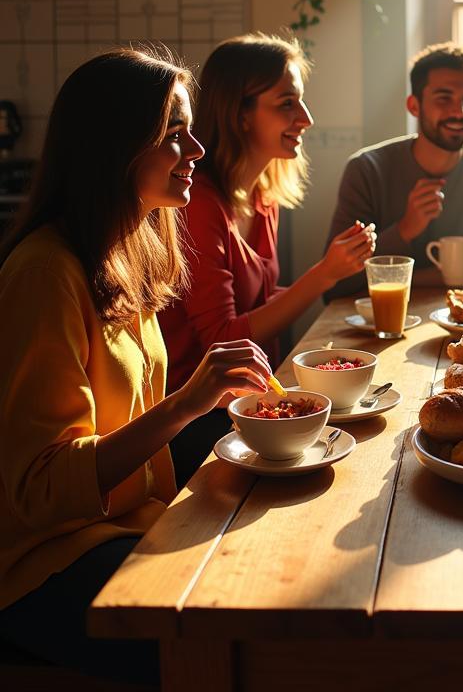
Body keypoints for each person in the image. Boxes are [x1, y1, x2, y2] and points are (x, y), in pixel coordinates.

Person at [0, 49, 274, 686]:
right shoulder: (46, 274)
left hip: (126, 522)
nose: (197, 151)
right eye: (174, 136)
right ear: (114, 150)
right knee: (227, 630)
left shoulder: (130, 249)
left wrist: (204, 403)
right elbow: (40, 491)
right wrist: (185, 403)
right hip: (47, 564)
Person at [159, 33, 376, 485]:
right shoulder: (197, 204)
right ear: (239, 114)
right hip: (194, 422)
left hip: (257, 402)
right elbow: (223, 338)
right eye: (287, 104)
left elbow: (257, 302)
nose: (306, 119)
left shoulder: (261, 196)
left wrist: (338, 294)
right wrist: (322, 277)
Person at [324, 42, 463, 299]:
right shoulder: (366, 170)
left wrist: (446, 275)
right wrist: (405, 230)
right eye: (444, 99)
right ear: (414, 106)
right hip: (378, 325)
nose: (460, 111)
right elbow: (336, 285)